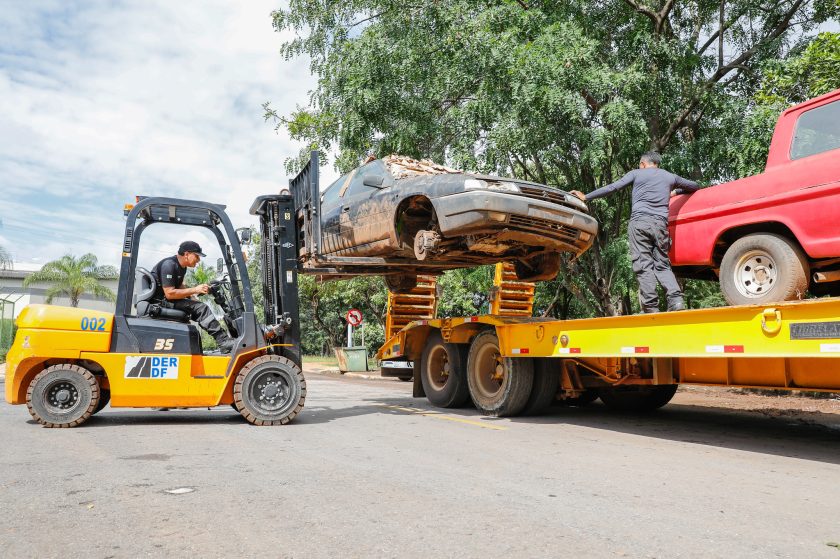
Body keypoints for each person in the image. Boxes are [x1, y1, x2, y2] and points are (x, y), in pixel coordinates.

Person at [570, 152, 700, 313]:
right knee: (662, 264)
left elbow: (613, 187)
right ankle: (676, 301)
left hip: (639, 223)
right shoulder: (669, 177)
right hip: (660, 225)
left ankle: (651, 307)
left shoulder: (636, 174)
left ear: (643, 164)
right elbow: (695, 186)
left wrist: (586, 196)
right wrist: (675, 192)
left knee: (643, 265)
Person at [150, 240, 234, 353]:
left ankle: (225, 341)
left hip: (167, 300)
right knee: (201, 309)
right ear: (186, 254)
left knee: (198, 306)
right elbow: (169, 293)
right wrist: (195, 289)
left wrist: (193, 295)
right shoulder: (169, 265)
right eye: (197, 256)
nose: (198, 260)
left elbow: (179, 286)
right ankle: (223, 342)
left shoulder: (181, 267)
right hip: (159, 302)